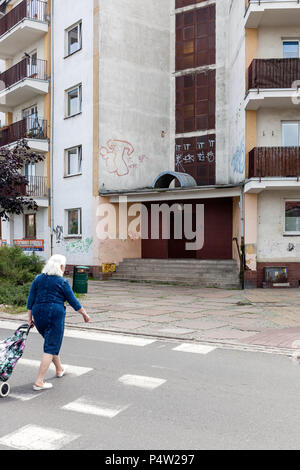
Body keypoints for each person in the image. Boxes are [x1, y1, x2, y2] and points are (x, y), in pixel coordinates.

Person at [27, 254, 90, 391]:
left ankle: (59, 369)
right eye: (64, 266)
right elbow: (73, 301)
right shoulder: (62, 282)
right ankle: (39, 381)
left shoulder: (38, 279)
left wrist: (29, 319)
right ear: (61, 267)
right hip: (54, 314)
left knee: (51, 342)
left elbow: (30, 299)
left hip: (39, 315)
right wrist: (84, 313)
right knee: (50, 347)